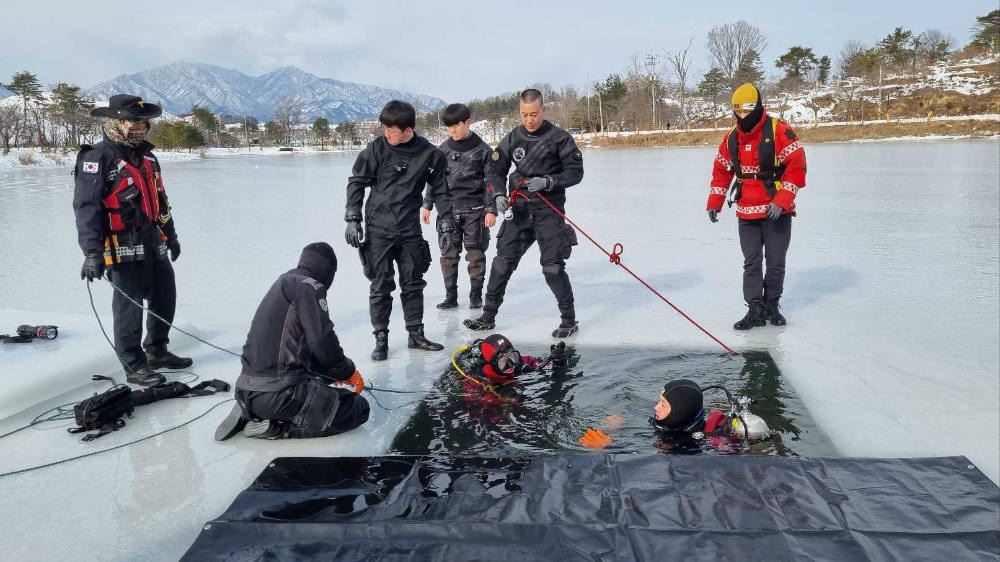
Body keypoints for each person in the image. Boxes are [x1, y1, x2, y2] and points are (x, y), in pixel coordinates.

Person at [74, 94, 191, 387]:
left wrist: (171, 236)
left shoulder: (148, 158)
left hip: (153, 240)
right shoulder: (95, 158)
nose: (140, 128)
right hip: (119, 245)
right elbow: (86, 209)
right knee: (129, 309)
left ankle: (157, 351)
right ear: (115, 123)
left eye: (143, 123)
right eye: (133, 122)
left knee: (165, 297)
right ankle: (134, 365)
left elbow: (161, 201)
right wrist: (92, 253)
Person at [215, 242, 370, 441]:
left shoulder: (284, 283)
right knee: (358, 409)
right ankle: (277, 428)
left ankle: (254, 410)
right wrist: (347, 371)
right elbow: (322, 341)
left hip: (246, 388)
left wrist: (329, 374)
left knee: (321, 379)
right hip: (279, 394)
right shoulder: (309, 287)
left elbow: (294, 348)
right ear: (327, 271)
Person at [465, 89, 584, 338]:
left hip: (548, 212)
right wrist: (498, 194)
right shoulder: (513, 137)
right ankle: (488, 316)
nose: (529, 120)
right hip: (518, 210)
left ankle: (568, 320)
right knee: (501, 263)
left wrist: (548, 181)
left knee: (552, 267)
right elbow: (496, 169)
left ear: (543, 110)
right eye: (524, 114)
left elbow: (575, 172)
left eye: (534, 114)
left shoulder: (560, 138)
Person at [345, 100, 455, 361]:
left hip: (409, 229)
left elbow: (441, 191)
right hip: (378, 228)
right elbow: (356, 183)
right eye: (383, 128)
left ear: (407, 129)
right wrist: (352, 218)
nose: (386, 134)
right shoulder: (377, 149)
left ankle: (415, 334)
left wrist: (446, 222)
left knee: (413, 283)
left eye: (391, 129)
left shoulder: (430, 155)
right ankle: (381, 337)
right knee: (380, 285)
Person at [706, 83, 807, 330]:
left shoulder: (780, 131)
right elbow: (721, 171)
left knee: (775, 262)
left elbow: (797, 168)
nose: (743, 117)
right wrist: (715, 202)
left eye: (748, 111)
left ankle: (772, 305)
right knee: (751, 262)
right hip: (746, 211)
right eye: (738, 112)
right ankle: (755, 308)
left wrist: (782, 200)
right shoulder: (731, 138)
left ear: (759, 107)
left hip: (776, 212)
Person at [421, 103, 495, 310]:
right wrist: (427, 205)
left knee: (476, 254)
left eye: (456, 125)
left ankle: (475, 295)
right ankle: (450, 296)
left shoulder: (483, 151)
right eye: (449, 126)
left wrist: (491, 209)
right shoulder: (442, 150)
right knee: (448, 255)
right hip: (448, 211)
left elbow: (492, 182)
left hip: (476, 211)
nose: (452, 130)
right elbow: (434, 180)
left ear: (468, 122)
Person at [579, 378, 738, 450]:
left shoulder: (692, 442)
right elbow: (639, 410)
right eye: (659, 401)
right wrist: (622, 421)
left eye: (663, 404)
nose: (656, 407)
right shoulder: (666, 418)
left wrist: (612, 447)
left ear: (679, 412)